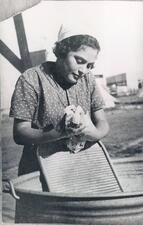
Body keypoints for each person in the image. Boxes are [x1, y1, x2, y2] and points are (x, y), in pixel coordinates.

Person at [9, 24, 109, 181]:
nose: (84, 70)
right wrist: (58, 133)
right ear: (62, 51)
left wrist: (94, 133)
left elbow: (102, 121)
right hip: (40, 170)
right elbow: (20, 133)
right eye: (79, 60)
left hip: (83, 169)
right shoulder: (31, 79)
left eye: (90, 65)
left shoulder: (88, 80)